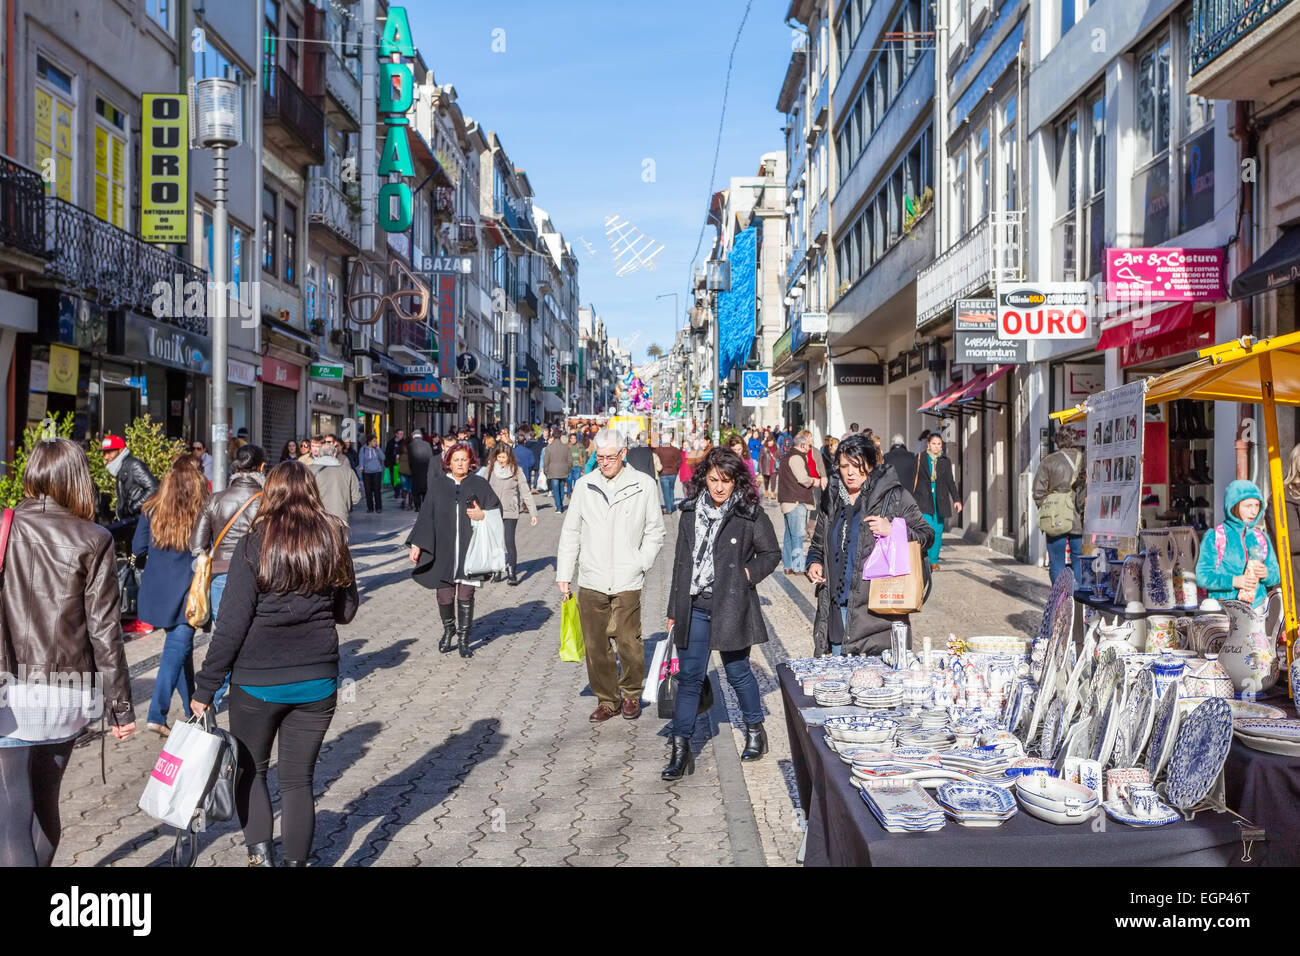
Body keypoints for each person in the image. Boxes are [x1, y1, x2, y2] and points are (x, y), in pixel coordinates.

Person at [191, 460, 358, 867]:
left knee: (253, 773)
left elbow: (231, 625)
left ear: (271, 493)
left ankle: (261, 860)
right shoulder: (333, 537)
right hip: (318, 680)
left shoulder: (255, 542)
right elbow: (347, 610)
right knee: (299, 782)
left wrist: (205, 688)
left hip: (256, 683)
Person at [0, 437, 136, 866]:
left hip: (10, 690)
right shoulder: (94, 537)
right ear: (79, 479)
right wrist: (120, 708)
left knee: (11, 818)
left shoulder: (5, 526)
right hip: (68, 692)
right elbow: (104, 631)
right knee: (46, 806)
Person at [661, 447, 780, 780]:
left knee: (738, 671)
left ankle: (755, 730)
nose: (719, 487)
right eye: (713, 479)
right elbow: (681, 564)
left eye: (726, 481)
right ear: (704, 479)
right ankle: (680, 749)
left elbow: (771, 554)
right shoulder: (689, 513)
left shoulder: (749, 514)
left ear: (735, 480)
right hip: (694, 605)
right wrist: (674, 609)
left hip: (731, 604)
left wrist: (746, 574)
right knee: (689, 679)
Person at [556, 428, 665, 722]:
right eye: (600, 457)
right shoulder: (584, 485)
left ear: (623, 454)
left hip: (628, 577)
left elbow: (656, 530)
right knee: (595, 644)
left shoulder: (643, 484)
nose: (604, 463)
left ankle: (630, 694)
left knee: (629, 641)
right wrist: (565, 573)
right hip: (591, 578)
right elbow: (571, 532)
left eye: (610, 457)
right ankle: (607, 700)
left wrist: (641, 562)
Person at [807, 435, 934, 655]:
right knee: (838, 683)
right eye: (844, 466)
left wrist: (893, 530)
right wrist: (814, 562)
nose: (850, 472)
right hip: (838, 609)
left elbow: (926, 535)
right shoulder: (833, 498)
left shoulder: (893, 496)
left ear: (870, 464)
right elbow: (818, 542)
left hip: (877, 616)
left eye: (856, 466)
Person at [133, 455, 209, 735]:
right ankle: (156, 713)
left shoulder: (152, 507)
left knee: (181, 651)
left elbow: (138, 548)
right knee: (175, 651)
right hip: (188, 593)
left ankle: (191, 710)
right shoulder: (202, 508)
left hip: (157, 591)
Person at [408, 443, 501, 657]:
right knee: (444, 595)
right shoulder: (439, 485)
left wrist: (483, 515)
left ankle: (463, 639)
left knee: (466, 593)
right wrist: (416, 544)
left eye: (464, 459)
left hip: (471, 550)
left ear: (471, 462)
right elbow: (426, 515)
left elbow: (496, 509)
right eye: (456, 459)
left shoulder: (479, 484)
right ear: (448, 462)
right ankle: (449, 630)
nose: (460, 463)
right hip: (444, 549)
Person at [191, 443, 265, 627]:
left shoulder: (215, 499)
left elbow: (196, 544)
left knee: (223, 634)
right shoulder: (269, 500)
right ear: (262, 467)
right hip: (257, 573)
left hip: (221, 573)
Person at [1197, 480, 1281, 609]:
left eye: (1257, 505)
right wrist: (1233, 581)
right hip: (1223, 611)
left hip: (1257, 610)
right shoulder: (1215, 536)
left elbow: (1276, 576)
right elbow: (1202, 576)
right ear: (1233, 506)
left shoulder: (1261, 537)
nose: (1254, 511)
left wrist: (1266, 574)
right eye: (1248, 506)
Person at [1032, 428, 1086, 585]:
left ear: (1057, 441)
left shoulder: (1048, 461)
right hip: (1079, 517)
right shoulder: (1084, 460)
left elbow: (1038, 492)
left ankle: (1061, 601)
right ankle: (1079, 602)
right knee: (1079, 559)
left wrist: (1050, 508)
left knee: (1057, 561)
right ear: (1075, 439)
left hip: (1055, 518)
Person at [910, 433, 962, 566]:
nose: (936, 447)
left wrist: (956, 499)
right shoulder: (920, 458)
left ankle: (933, 560)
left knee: (938, 531)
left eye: (939, 444)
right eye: (934, 444)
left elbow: (950, 481)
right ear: (928, 444)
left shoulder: (945, 460)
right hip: (923, 498)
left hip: (940, 499)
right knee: (927, 528)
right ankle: (924, 556)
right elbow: (912, 480)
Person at [488, 444, 536, 586]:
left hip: (510, 510)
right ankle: (496, 570)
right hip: (493, 511)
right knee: (496, 543)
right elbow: (482, 488)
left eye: (504, 457)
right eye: (499, 457)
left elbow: (525, 491)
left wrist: (533, 512)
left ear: (509, 457)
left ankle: (511, 572)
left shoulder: (516, 470)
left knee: (509, 541)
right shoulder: (490, 470)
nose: (502, 460)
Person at [776, 432, 818, 574]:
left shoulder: (789, 455)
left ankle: (788, 566)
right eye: (808, 444)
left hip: (788, 500)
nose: (810, 447)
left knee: (789, 535)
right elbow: (803, 478)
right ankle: (798, 566)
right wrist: (815, 481)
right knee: (798, 535)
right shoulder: (796, 457)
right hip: (796, 501)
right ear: (802, 444)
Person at [101, 434, 158, 523]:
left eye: (109, 452)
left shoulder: (133, 465)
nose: (106, 457)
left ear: (121, 450)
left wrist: (132, 508)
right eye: (104, 453)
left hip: (138, 520)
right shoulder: (120, 467)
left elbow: (153, 488)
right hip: (131, 519)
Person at [309, 442, 362, 527]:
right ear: (334, 454)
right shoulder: (348, 472)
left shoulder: (308, 470)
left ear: (318, 455)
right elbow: (356, 498)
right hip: (340, 518)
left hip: (315, 517)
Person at [543, 430, 572, 513]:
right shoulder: (566, 447)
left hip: (553, 470)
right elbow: (570, 459)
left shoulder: (549, 447)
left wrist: (546, 470)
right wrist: (568, 468)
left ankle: (559, 507)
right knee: (561, 487)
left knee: (555, 489)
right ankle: (561, 504)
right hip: (563, 469)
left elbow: (546, 461)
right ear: (560, 436)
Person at [654, 435, 682, 514]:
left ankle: (669, 509)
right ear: (670, 440)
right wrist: (676, 469)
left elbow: (656, 461)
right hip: (673, 473)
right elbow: (680, 461)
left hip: (663, 473)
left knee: (666, 492)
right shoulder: (675, 450)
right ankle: (671, 506)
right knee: (671, 490)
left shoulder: (658, 450)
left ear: (662, 441)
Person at [358, 436, 385, 513]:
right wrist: (361, 466)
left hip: (377, 471)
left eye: (376, 441)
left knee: (377, 490)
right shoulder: (363, 449)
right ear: (369, 442)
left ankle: (378, 507)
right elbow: (361, 459)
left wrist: (378, 449)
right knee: (368, 490)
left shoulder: (377, 449)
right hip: (367, 472)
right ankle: (370, 507)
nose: (375, 443)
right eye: (374, 441)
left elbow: (383, 458)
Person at [385, 429, 405, 500]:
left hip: (402, 463)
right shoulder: (391, 442)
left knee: (401, 479)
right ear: (396, 434)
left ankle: (399, 492)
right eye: (400, 434)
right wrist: (387, 463)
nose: (401, 435)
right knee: (393, 478)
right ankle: (396, 490)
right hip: (392, 463)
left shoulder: (404, 442)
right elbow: (387, 453)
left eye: (402, 434)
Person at [759, 436, 779, 503]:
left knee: (773, 481)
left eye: (771, 441)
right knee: (766, 481)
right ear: (767, 442)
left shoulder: (776, 448)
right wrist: (760, 469)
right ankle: (766, 491)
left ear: (773, 441)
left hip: (774, 468)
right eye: (769, 441)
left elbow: (780, 457)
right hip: (766, 468)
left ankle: (773, 493)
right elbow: (760, 460)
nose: (770, 442)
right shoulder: (763, 449)